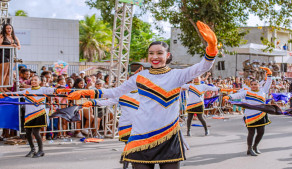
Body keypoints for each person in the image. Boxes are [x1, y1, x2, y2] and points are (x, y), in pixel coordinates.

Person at [68, 21, 218, 168]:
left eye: (160, 53)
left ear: (168, 55)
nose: (155, 57)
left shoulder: (177, 75)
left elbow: (201, 67)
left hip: (168, 134)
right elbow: (115, 92)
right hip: (141, 135)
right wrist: (88, 93)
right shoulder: (140, 77)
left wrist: (211, 49)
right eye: (151, 53)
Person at [5, 75, 62, 157]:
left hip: (39, 114)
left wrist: (58, 88)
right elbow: (15, 94)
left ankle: (41, 150)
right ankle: (32, 150)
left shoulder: (44, 89)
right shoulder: (27, 91)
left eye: (35, 80)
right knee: (28, 133)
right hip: (29, 115)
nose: (33, 81)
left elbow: (55, 90)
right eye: (32, 80)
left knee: (36, 132)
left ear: (40, 82)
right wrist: (3, 94)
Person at [83, 90, 139, 169]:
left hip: (138, 124)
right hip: (125, 124)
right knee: (129, 144)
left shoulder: (144, 94)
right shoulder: (122, 93)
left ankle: (128, 159)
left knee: (135, 145)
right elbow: (109, 101)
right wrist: (94, 102)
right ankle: (127, 160)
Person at [224, 67, 272, 156]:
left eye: (255, 84)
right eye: (252, 84)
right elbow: (237, 95)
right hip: (250, 116)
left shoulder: (263, 91)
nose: (253, 86)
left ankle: (255, 147)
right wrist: (229, 97)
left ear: (258, 85)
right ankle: (249, 149)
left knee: (261, 132)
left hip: (261, 115)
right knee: (251, 132)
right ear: (250, 85)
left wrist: (269, 74)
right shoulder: (246, 92)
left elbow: (269, 82)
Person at [0, 23, 21, 92]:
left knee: (9, 73)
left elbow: (19, 47)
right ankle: (0, 88)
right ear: (4, 29)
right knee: (3, 72)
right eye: (7, 28)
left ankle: (5, 87)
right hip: (3, 54)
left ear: (12, 29)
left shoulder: (14, 37)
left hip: (12, 56)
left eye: (10, 28)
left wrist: (15, 46)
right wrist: (10, 46)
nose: (9, 29)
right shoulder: (1, 36)